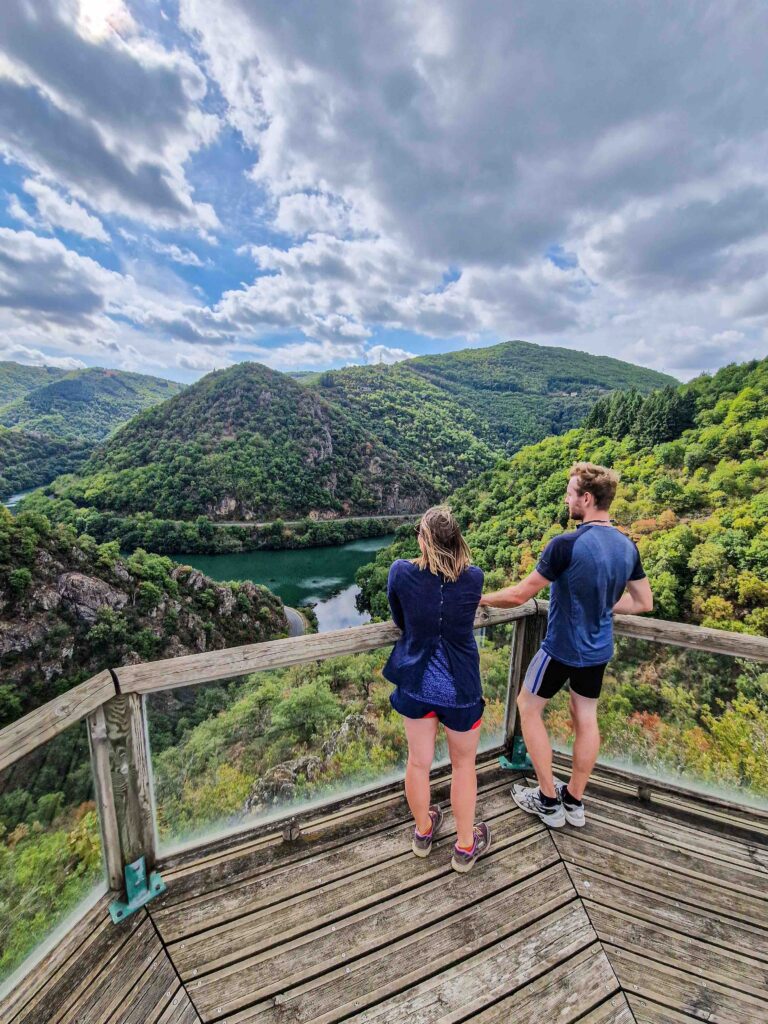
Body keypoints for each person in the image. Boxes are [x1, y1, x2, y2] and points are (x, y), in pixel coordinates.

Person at [479, 462, 653, 827]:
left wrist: (478, 599)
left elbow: (521, 594)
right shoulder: (627, 546)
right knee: (586, 719)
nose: (566, 498)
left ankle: (546, 798)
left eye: (571, 493)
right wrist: (604, 605)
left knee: (528, 707)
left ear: (586, 499)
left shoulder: (566, 544)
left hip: (560, 648)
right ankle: (573, 800)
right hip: (598, 649)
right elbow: (642, 602)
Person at [384, 505, 491, 872]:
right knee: (464, 768)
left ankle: (424, 832)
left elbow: (400, 618)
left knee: (418, 762)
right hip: (461, 690)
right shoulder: (474, 578)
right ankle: (464, 847)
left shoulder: (401, 572)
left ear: (424, 541)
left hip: (416, 685)